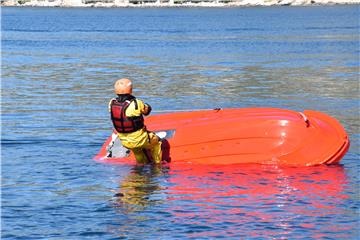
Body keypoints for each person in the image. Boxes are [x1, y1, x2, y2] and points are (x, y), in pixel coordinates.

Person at [108, 78, 162, 164]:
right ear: (130, 90)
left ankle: (140, 168)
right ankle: (158, 165)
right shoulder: (136, 103)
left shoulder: (111, 103)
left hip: (124, 141)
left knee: (137, 150)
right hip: (139, 139)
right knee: (157, 142)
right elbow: (147, 111)